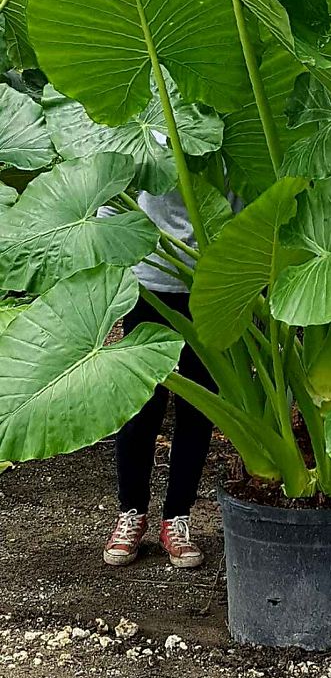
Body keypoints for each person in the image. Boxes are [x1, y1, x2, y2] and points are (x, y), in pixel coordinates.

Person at [104, 189, 215, 569]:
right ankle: (131, 513)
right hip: (149, 283)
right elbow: (108, 193)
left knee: (198, 409)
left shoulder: (232, 131)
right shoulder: (144, 132)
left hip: (210, 284)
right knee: (139, 408)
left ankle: (177, 518)